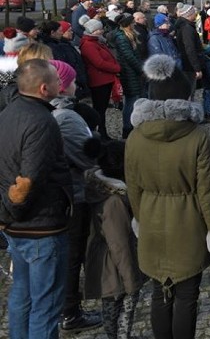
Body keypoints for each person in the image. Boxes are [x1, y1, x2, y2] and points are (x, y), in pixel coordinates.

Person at [125, 54, 210, 339]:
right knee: (186, 296)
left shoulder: (135, 137)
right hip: (189, 225)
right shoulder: (196, 137)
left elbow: (133, 187)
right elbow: (209, 190)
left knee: (159, 292)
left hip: (152, 223)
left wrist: (141, 219)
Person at [0, 59, 73, 339]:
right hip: (40, 227)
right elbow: (30, 178)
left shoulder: (9, 112)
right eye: (57, 81)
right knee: (45, 306)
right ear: (44, 88)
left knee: (23, 295)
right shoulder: (41, 122)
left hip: (17, 226)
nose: (61, 84)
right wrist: (15, 209)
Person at [47, 60, 104, 334]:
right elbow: (84, 156)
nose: (76, 84)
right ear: (60, 85)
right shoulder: (65, 117)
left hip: (61, 194)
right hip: (73, 193)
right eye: (70, 80)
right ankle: (70, 312)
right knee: (72, 255)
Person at [82, 138, 145, 339]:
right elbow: (120, 244)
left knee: (111, 304)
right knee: (123, 304)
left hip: (105, 260)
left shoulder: (99, 188)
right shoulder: (115, 201)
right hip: (116, 265)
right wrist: (131, 279)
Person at [80, 18, 121, 140]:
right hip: (99, 81)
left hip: (104, 79)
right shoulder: (89, 45)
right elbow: (99, 63)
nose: (102, 31)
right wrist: (116, 68)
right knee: (100, 109)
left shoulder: (96, 42)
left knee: (102, 109)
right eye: (99, 29)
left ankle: (103, 132)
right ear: (93, 31)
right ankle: (101, 133)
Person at [113, 15, 145, 139]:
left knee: (135, 99)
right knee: (131, 101)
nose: (134, 25)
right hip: (128, 72)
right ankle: (127, 128)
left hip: (133, 72)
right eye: (132, 23)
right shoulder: (122, 37)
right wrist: (141, 69)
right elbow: (129, 56)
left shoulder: (129, 35)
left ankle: (134, 126)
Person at [173, 4, 204, 95]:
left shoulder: (185, 26)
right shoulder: (187, 28)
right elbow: (190, 48)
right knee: (189, 90)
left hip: (187, 63)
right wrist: (197, 68)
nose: (196, 15)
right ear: (189, 15)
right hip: (189, 65)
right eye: (194, 13)